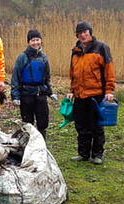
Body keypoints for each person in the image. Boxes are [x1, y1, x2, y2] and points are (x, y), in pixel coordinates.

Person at [67, 21, 116, 165]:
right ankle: (83, 153)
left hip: (96, 94)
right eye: (80, 32)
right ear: (77, 35)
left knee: (96, 126)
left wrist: (109, 90)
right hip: (80, 94)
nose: (83, 35)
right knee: (81, 126)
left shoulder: (101, 48)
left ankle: (97, 154)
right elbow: (73, 74)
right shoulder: (75, 51)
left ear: (90, 32)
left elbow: (109, 71)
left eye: (85, 32)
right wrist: (72, 91)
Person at [10, 29, 57, 140]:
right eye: (33, 40)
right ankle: (28, 144)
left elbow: (47, 77)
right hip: (26, 94)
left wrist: (50, 93)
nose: (35, 43)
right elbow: (15, 77)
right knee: (27, 122)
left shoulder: (44, 57)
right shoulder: (22, 57)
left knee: (43, 121)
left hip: (40, 94)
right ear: (29, 42)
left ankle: (42, 143)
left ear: (41, 41)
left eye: (37, 40)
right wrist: (15, 96)